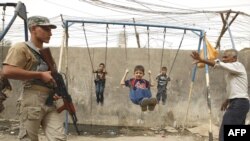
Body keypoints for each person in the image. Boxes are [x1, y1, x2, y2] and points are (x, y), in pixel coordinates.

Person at [2, 16, 66, 141]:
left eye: (50, 30)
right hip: (32, 99)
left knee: (59, 138)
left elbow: (51, 77)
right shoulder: (21, 47)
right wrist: (40, 75)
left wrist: (55, 91)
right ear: (33, 29)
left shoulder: (46, 53)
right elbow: (7, 71)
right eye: (46, 29)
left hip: (50, 101)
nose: (50, 33)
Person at [191, 49, 249, 141]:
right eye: (223, 57)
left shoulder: (238, 65)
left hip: (239, 103)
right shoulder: (232, 72)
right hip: (239, 103)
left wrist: (202, 60)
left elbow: (218, 64)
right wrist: (227, 100)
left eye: (226, 57)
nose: (223, 59)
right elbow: (234, 88)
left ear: (234, 58)